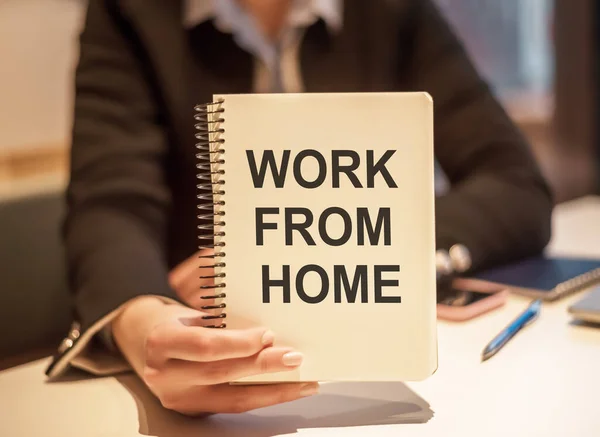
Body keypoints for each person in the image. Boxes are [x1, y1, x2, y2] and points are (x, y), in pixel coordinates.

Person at [46, 0, 553, 416]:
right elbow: (111, 205)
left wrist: (360, 250)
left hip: (368, 374)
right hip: (209, 361)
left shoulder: (393, 11)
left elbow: (514, 183)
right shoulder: (130, 12)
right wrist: (142, 324)